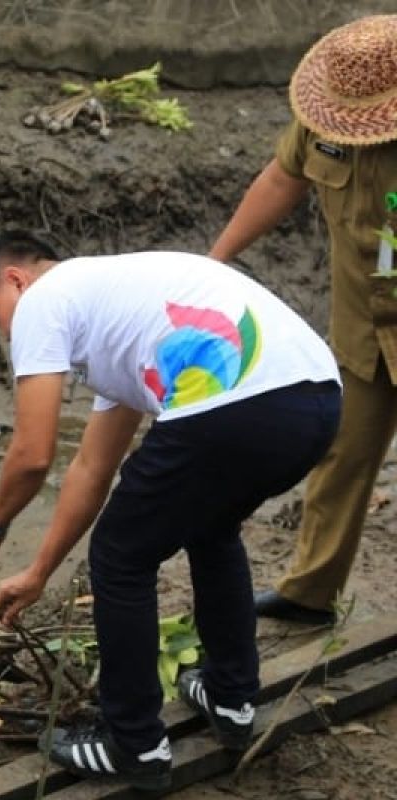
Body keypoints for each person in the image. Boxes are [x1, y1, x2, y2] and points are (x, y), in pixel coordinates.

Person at [0, 231, 341, 791]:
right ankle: (231, 697)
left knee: (121, 557)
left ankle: (134, 744)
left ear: (15, 280)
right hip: (314, 403)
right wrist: (38, 572)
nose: (3, 331)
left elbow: (32, 454)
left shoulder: (48, 298)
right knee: (209, 527)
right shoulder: (114, 317)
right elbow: (89, 471)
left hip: (237, 403)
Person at [208, 14, 397, 626]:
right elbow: (280, 179)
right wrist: (215, 261)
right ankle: (309, 593)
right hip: (363, 327)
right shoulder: (321, 129)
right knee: (341, 453)